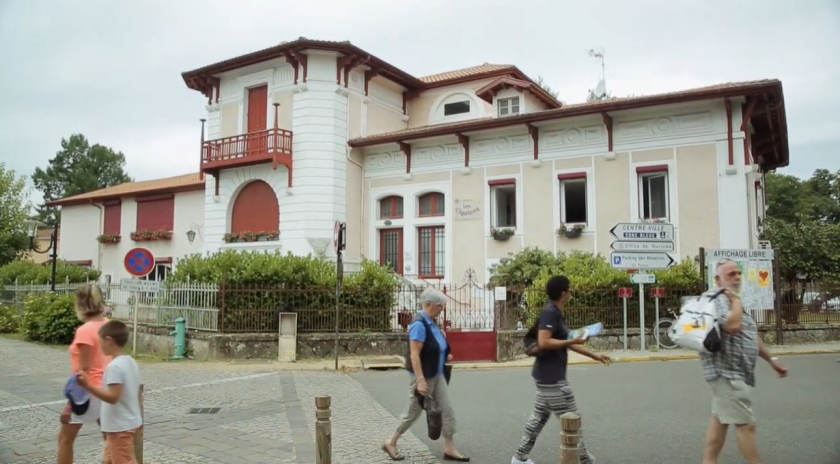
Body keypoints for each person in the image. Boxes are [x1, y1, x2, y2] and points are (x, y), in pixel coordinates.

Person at [512, 275, 609, 464]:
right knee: (570, 418)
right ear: (563, 293)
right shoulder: (550, 314)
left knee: (538, 420)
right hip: (550, 378)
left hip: (551, 376)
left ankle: (519, 458)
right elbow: (544, 341)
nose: (571, 293)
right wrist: (572, 340)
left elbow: (568, 342)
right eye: (569, 290)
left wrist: (594, 355)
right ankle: (583, 459)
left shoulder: (556, 313)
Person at [700, 260, 788, 464]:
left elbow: (749, 335)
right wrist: (736, 300)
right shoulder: (716, 299)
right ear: (717, 279)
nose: (737, 277)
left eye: (739, 273)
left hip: (732, 373)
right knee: (746, 426)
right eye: (731, 274)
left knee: (719, 425)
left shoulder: (730, 299)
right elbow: (732, 326)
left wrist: (772, 360)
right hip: (727, 373)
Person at [382, 288, 469, 462]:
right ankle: (390, 442)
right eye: (439, 306)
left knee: (447, 410)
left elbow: (435, 345)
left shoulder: (432, 322)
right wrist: (420, 380)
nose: (441, 309)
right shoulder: (419, 325)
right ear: (428, 304)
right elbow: (414, 355)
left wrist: (444, 354)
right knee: (412, 412)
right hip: (423, 377)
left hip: (437, 374)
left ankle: (449, 448)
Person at [58, 283, 112, 464]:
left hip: (89, 392)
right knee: (111, 440)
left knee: (65, 439)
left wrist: (69, 405)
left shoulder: (84, 331)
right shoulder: (109, 326)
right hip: (107, 389)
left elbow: (84, 370)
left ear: (80, 304)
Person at [78, 320, 143, 464]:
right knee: (108, 460)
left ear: (108, 340)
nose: (99, 345)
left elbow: (113, 397)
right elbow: (137, 393)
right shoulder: (130, 362)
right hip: (123, 424)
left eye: (100, 340)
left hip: (119, 427)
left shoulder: (114, 367)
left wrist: (87, 385)